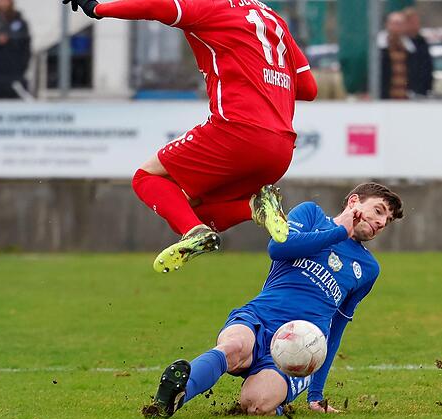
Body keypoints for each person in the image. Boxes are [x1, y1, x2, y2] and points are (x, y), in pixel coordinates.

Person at [64, 0, 318, 273]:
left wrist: (98, 9)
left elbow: (157, 7)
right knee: (189, 208)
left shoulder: (213, 6)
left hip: (236, 131)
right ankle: (254, 207)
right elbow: (308, 87)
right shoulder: (272, 17)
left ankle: (195, 232)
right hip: (281, 149)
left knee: (146, 178)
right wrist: (264, 77)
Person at [141, 183, 404, 418]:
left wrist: (316, 395)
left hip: (301, 345)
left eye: (388, 221)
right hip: (260, 316)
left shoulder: (368, 268)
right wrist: (338, 231)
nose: (382, 222)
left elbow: (336, 329)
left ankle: (272, 395)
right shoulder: (310, 215)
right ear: (354, 201)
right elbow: (278, 248)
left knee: (255, 404)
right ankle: (173, 398)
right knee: (233, 347)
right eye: (379, 211)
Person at [403, 7, 433, 97]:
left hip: (422, 90)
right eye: (412, 22)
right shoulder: (401, 42)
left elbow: (427, 65)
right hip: (405, 90)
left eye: (417, 21)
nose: (416, 25)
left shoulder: (422, 42)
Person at [380, 12, 409, 99]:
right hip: (386, 98)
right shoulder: (380, 48)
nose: (397, 28)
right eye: (394, 24)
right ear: (387, 25)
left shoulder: (409, 49)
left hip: (406, 98)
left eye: (400, 24)